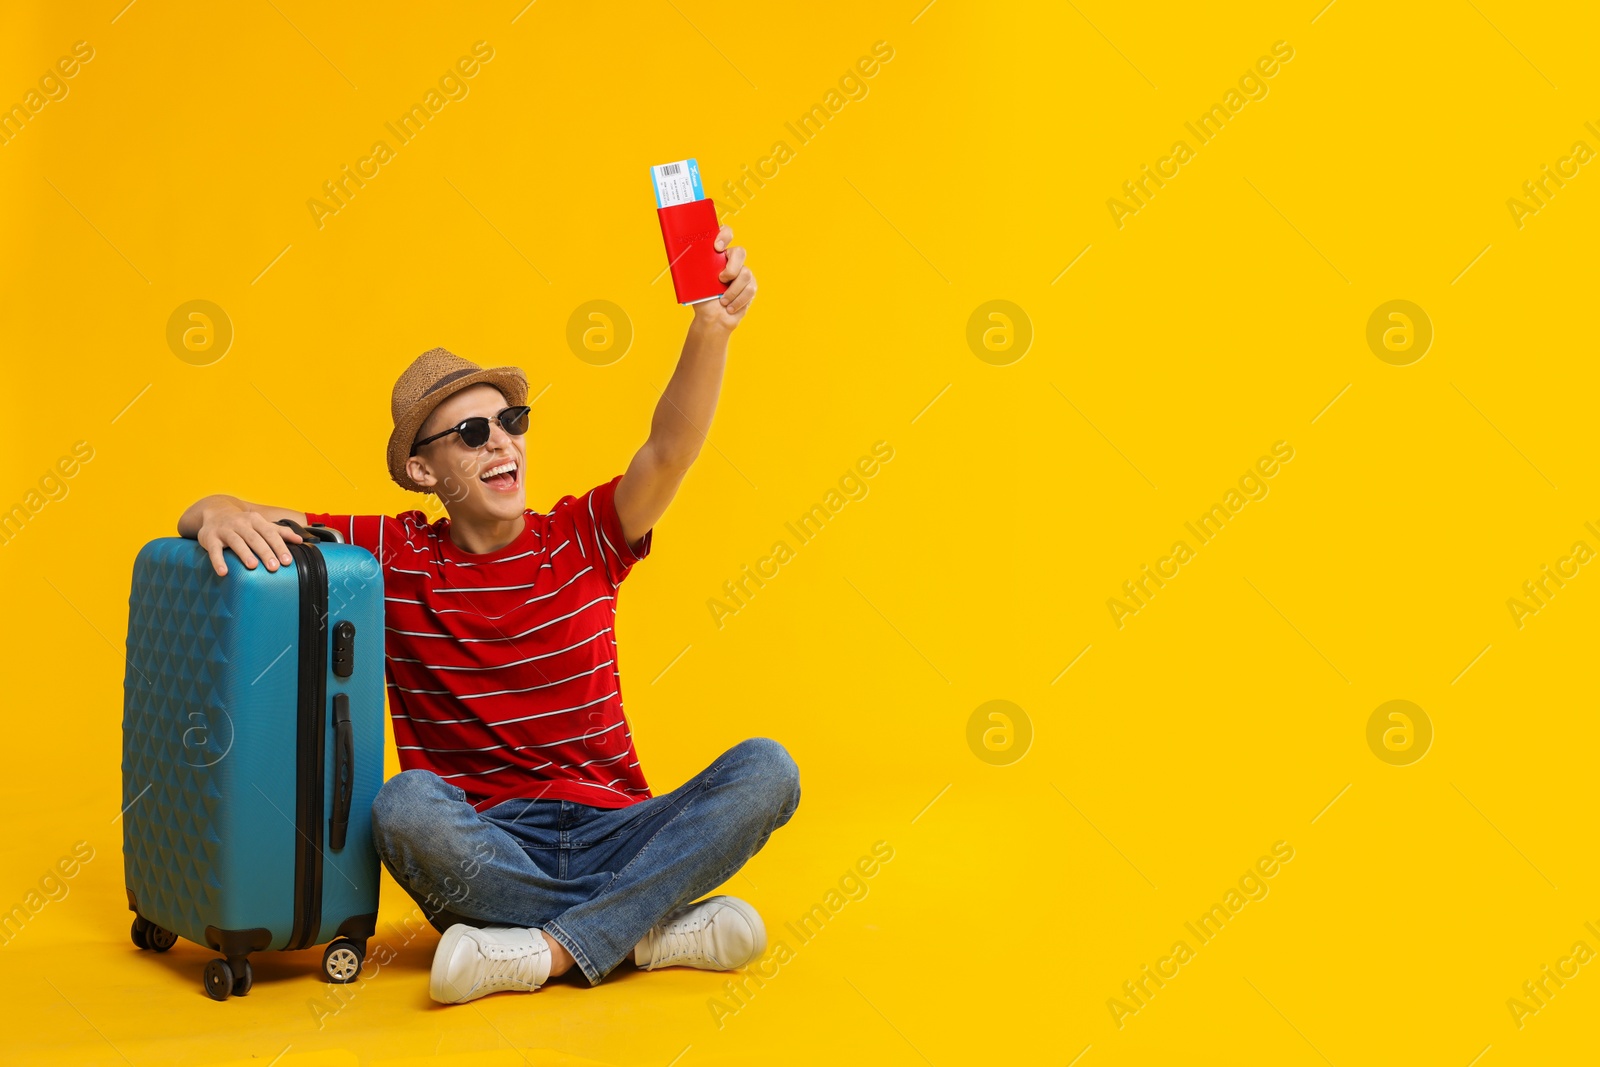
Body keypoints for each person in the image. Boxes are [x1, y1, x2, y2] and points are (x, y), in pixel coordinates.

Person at [177, 228, 799, 1003]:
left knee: (768, 769)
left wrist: (712, 326)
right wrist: (210, 514)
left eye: (512, 422)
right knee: (404, 805)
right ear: (421, 469)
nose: (503, 443)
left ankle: (548, 950)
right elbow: (226, 506)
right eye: (473, 433)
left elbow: (669, 451)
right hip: (489, 846)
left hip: (618, 827)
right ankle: (645, 928)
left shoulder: (586, 534)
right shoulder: (390, 557)